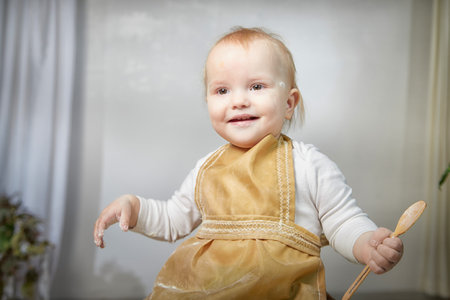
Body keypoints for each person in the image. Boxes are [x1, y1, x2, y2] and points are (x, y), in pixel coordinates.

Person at [93, 27, 403, 299]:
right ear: (208, 102)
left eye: (256, 86)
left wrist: (366, 244)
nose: (238, 100)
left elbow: (342, 220)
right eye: (222, 90)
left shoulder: (309, 164)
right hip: (206, 290)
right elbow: (174, 219)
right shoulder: (207, 168)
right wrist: (134, 208)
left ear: (289, 103)